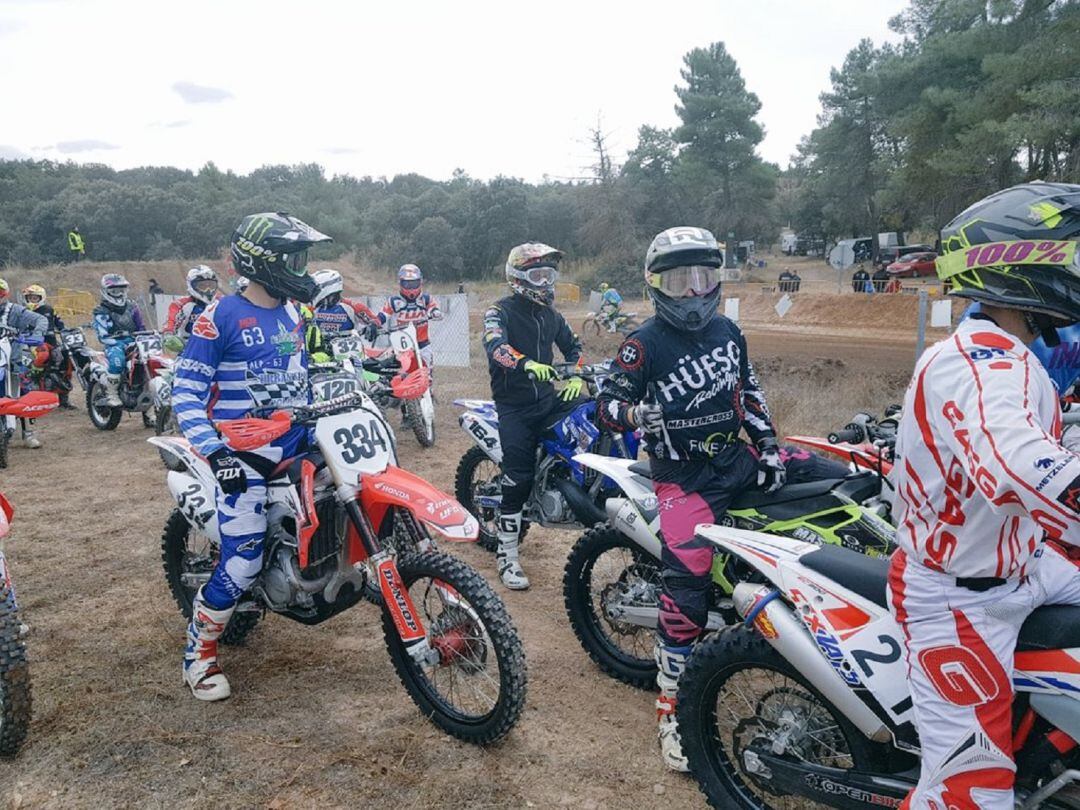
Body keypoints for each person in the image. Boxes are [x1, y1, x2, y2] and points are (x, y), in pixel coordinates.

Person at [889, 182, 1080, 809]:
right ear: (1024, 265)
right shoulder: (978, 360)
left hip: (1025, 562)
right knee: (970, 792)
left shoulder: (1017, 351)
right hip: (958, 595)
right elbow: (1020, 463)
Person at [596, 226, 785, 772]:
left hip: (733, 459)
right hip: (682, 476)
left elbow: (747, 389)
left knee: (820, 488)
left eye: (702, 277)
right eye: (678, 280)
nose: (692, 291)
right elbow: (606, 402)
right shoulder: (643, 342)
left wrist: (769, 445)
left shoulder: (728, 330)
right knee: (687, 589)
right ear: (657, 285)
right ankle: (671, 713)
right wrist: (633, 415)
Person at [171, 212, 330, 701]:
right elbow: (186, 390)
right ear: (265, 262)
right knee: (242, 560)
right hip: (243, 452)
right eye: (295, 259)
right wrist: (214, 450)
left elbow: (303, 376)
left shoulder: (293, 314)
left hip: (295, 439)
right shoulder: (218, 315)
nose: (303, 269)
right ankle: (198, 656)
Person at [483, 242, 584, 590]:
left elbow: (575, 347)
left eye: (548, 274)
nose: (544, 282)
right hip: (515, 406)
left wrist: (573, 374)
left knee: (593, 414)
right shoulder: (499, 311)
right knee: (519, 477)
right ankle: (506, 554)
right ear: (517, 277)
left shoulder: (552, 315)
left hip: (549, 399)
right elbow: (496, 347)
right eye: (536, 275)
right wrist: (526, 364)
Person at [0, 279, 48, 447]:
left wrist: (37, 334)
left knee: (25, 391)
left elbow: (40, 320)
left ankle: (28, 433)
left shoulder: (15, 310)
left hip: (14, 359)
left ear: (4, 294)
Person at [91, 274, 146, 407]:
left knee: (147, 361)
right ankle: (112, 394)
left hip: (135, 341)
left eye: (122, 289)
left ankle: (149, 406)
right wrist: (116, 341)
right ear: (106, 291)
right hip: (114, 343)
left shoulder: (132, 306)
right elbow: (102, 334)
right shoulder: (101, 311)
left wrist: (145, 335)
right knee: (117, 363)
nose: (119, 293)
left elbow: (141, 326)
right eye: (114, 290)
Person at [378, 264, 442, 370]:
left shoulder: (425, 299)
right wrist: (375, 323)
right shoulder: (394, 301)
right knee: (399, 371)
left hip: (422, 344)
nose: (411, 288)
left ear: (420, 282)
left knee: (427, 372)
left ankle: (428, 386)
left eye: (414, 283)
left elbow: (433, 307)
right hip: (402, 344)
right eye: (407, 284)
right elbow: (383, 315)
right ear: (401, 283)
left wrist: (435, 312)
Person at [23, 284, 74, 409]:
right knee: (43, 354)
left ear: (41, 298)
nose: (32, 300)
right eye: (30, 298)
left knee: (66, 363)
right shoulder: (24, 312)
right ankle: (32, 377)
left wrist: (65, 330)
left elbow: (59, 322)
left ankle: (64, 400)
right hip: (35, 343)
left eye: (35, 298)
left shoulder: (49, 309)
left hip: (52, 342)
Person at [163, 266, 221, 353]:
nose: (208, 290)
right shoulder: (181, 304)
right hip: (187, 348)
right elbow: (170, 323)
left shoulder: (222, 303)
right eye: (203, 286)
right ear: (191, 285)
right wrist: (168, 335)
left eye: (211, 286)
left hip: (218, 347)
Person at [309, 269, 379, 338]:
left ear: (328, 287)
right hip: (317, 346)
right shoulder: (310, 307)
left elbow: (375, 320)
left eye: (316, 288)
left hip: (348, 346)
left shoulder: (352, 306)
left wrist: (373, 325)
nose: (313, 292)